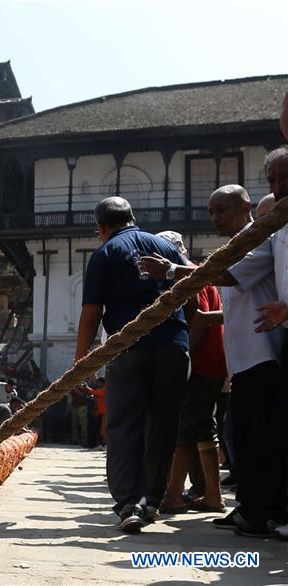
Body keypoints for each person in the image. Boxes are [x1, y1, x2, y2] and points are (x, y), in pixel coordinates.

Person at [139, 179, 286, 537]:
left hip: (261, 355)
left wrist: (172, 271)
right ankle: (249, 507)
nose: (215, 218)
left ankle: (261, 511)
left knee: (255, 440)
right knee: (240, 439)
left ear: (247, 208)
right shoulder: (238, 246)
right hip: (240, 360)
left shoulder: (260, 240)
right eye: (211, 212)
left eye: (222, 210)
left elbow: (224, 277)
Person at [75, 196, 190, 534]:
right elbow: (198, 278)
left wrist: (81, 360)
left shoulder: (105, 254)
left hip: (129, 348)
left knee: (124, 424)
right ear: (132, 218)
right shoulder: (163, 246)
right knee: (164, 424)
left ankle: (128, 503)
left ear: (101, 227)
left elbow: (92, 312)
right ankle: (152, 499)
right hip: (173, 345)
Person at [154, 231, 227, 515]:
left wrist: (185, 359)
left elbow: (199, 320)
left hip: (199, 364)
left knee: (185, 429)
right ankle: (212, 494)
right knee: (201, 429)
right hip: (212, 363)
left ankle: (173, 494)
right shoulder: (199, 272)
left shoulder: (189, 277)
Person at [69, 383, 90, 448]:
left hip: (82, 406)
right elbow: (70, 397)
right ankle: (74, 439)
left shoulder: (84, 386)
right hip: (74, 406)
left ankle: (84, 440)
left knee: (83, 424)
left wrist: (76, 389)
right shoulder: (72, 387)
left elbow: (83, 395)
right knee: (74, 424)